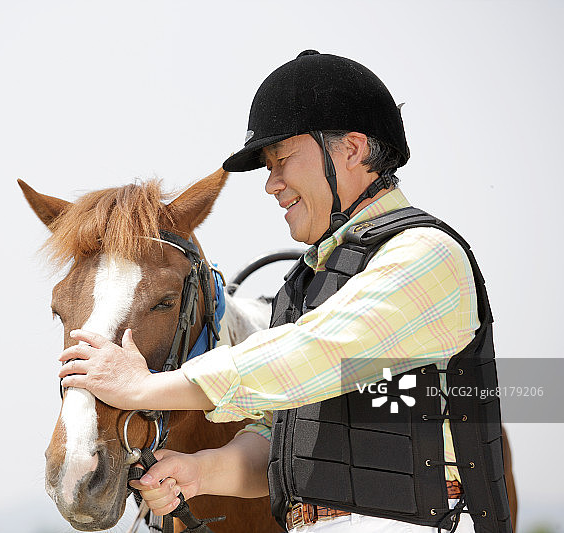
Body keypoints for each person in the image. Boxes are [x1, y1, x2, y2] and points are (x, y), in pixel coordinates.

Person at [58, 50, 511, 533]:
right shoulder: (305, 284)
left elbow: (314, 353)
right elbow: (282, 440)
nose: (271, 184)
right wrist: (197, 473)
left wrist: (146, 387)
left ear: (352, 150)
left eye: (282, 161)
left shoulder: (425, 255)